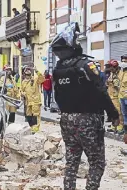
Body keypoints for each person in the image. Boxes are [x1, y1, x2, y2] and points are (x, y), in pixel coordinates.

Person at [51, 22, 119, 190]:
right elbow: (101, 90)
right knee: (96, 162)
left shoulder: (59, 68)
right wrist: (113, 113)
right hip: (88, 119)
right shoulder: (86, 65)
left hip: (66, 119)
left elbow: (57, 96)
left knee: (71, 161)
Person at [21, 67, 45, 133]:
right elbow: (21, 91)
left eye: (29, 74)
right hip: (28, 102)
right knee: (28, 116)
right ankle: (32, 128)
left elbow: (42, 79)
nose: (28, 76)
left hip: (35, 102)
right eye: (26, 74)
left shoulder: (35, 80)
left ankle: (35, 130)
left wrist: (36, 71)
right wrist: (23, 94)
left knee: (35, 116)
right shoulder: (23, 82)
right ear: (24, 74)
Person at [106, 59, 124, 134]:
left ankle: (120, 126)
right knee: (113, 112)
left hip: (116, 96)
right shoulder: (111, 74)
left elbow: (118, 87)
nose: (109, 68)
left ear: (114, 67)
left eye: (110, 67)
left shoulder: (118, 75)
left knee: (119, 112)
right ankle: (114, 126)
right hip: (111, 96)